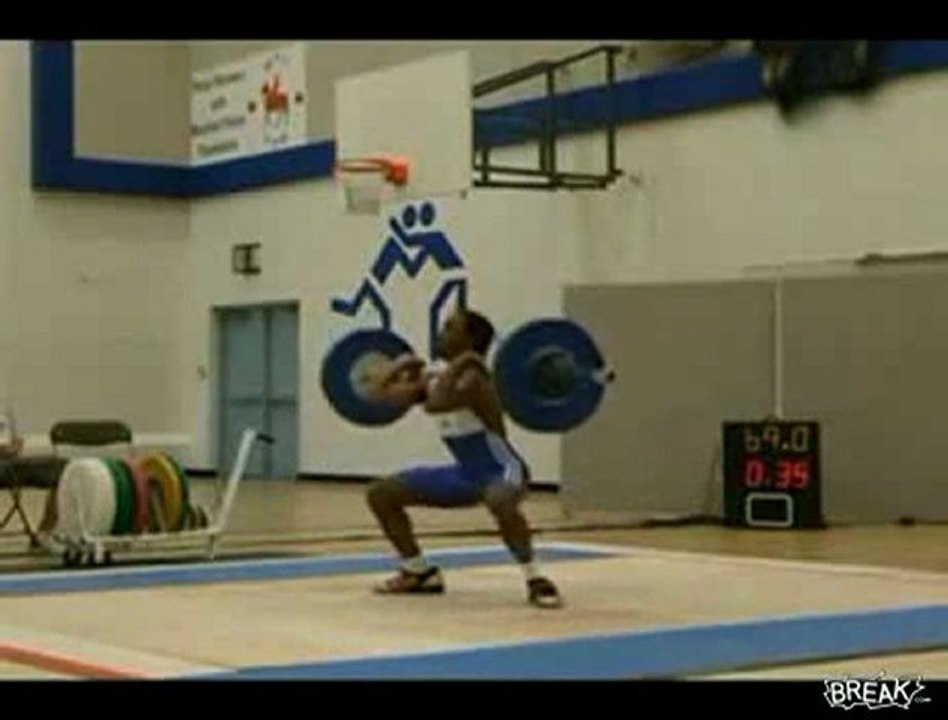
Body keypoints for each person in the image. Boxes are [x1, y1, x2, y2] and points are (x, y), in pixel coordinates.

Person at [364, 309, 563, 609]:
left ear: (468, 339)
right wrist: (400, 365)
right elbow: (376, 394)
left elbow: (437, 403)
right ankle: (418, 572)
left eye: (449, 328)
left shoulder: (474, 378)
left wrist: (464, 362)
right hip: (466, 474)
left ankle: (536, 579)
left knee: (499, 500)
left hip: (504, 469)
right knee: (381, 494)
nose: (440, 333)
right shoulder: (442, 375)